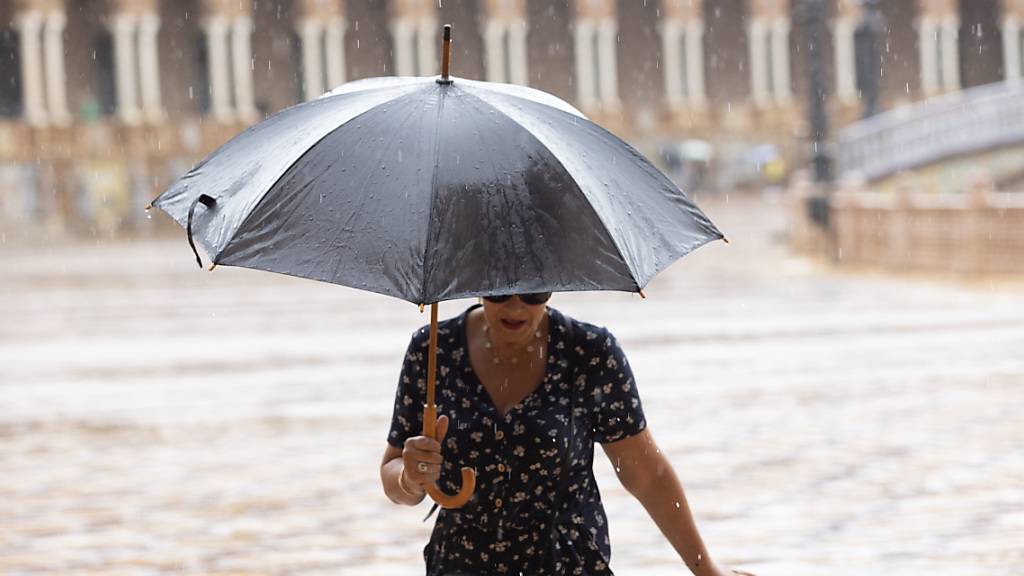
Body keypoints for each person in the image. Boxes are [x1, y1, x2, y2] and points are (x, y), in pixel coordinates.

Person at [381, 294, 755, 576]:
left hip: (567, 562)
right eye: (498, 290)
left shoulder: (590, 353)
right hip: (459, 565)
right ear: (476, 281)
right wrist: (411, 477)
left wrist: (706, 570)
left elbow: (647, 476)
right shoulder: (432, 350)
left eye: (533, 291)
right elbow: (394, 479)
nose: (515, 306)